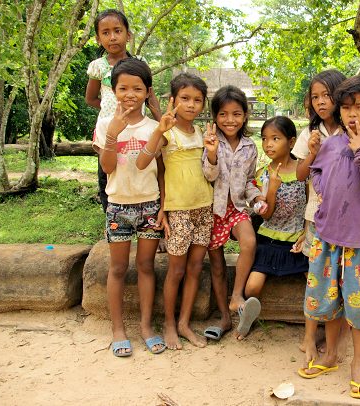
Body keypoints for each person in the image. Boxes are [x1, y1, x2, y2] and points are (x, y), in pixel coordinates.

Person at [298, 75, 360, 400]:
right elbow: (317, 172)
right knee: (328, 300)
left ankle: (359, 364)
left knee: (358, 306)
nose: (352, 114)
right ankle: (330, 355)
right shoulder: (330, 144)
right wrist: (324, 193)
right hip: (326, 237)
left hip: (359, 243)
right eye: (347, 107)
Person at [92, 58, 166, 357]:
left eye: (137, 88)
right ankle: (118, 329)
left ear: (148, 92)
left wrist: (165, 205)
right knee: (119, 268)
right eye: (123, 88)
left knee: (146, 266)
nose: (130, 94)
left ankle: (147, 326)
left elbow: (161, 170)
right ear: (113, 90)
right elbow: (107, 167)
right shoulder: (104, 125)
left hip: (149, 204)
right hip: (118, 207)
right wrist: (113, 133)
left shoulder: (154, 128)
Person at [136, 73, 212, 349]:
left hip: (204, 207)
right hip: (178, 210)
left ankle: (184, 323)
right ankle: (169, 324)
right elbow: (148, 165)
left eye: (197, 100)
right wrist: (164, 209)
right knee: (176, 270)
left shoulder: (202, 133)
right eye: (185, 98)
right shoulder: (167, 132)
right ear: (173, 100)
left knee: (194, 268)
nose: (191, 105)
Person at [201, 85, 268, 341]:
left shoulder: (250, 146)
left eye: (237, 114)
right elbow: (208, 175)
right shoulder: (208, 141)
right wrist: (212, 153)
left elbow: (250, 180)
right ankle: (225, 318)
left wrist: (257, 197)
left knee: (249, 242)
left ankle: (237, 296)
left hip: (238, 207)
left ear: (245, 115)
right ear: (215, 116)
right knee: (217, 266)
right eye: (224, 114)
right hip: (213, 208)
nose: (230, 120)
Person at [291, 69, 347, 363]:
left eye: (327, 95)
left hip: (346, 220)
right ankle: (309, 338)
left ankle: (335, 339)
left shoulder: (351, 130)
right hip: (316, 217)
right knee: (316, 278)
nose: (321, 102)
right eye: (315, 97)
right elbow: (300, 175)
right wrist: (312, 152)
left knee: (339, 279)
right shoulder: (309, 133)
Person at [85, 9, 161, 213]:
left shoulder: (139, 63)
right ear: (98, 39)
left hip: (138, 129)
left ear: (128, 35)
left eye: (117, 31)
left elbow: (150, 96)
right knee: (107, 172)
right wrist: (112, 116)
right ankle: (111, 218)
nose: (112, 37)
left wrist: (160, 120)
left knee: (141, 168)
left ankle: (145, 214)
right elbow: (91, 98)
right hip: (109, 131)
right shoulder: (98, 67)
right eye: (106, 32)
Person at [240, 116, 308, 324]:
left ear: (292, 142)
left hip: (296, 240)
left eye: (275, 138)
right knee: (252, 288)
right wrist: (273, 188)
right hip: (269, 241)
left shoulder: (303, 171)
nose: (268, 144)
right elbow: (266, 214)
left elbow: (310, 207)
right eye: (264, 139)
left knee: (316, 283)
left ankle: (320, 320)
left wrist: (306, 234)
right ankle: (247, 318)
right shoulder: (262, 175)